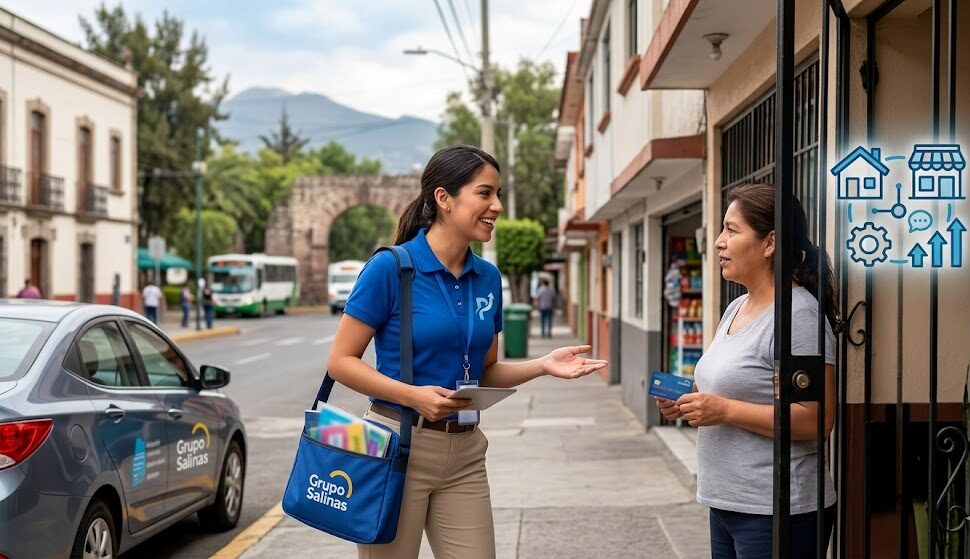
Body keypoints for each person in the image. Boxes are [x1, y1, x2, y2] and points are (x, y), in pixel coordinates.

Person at [327, 145, 608, 559]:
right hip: (396, 447)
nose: (496, 206)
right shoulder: (391, 268)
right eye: (484, 193)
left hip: (465, 452)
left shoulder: (487, 278)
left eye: (498, 194)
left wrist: (543, 366)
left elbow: (485, 372)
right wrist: (413, 395)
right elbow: (340, 362)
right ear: (444, 198)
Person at [655, 183, 837, 558]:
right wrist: (690, 401)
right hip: (728, 503)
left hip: (777, 509)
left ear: (769, 243)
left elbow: (816, 419)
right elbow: (740, 386)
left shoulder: (798, 316)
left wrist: (723, 410)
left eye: (731, 230)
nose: (719, 242)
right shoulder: (736, 307)